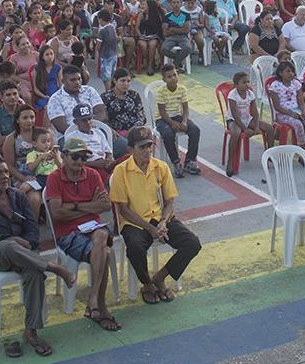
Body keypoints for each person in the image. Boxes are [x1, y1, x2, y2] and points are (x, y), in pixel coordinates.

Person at [0, 156, 76, 359]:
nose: (4, 177)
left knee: (34, 274)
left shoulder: (18, 196)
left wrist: (26, 243)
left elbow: (32, 228)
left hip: (24, 254)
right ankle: (54, 268)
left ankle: (31, 331)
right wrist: (14, 241)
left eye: (6, 172)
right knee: (9, 245)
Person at [110, 126, 200, 305]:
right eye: (142, 147)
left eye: (149, 145)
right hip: (135, 222)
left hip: (161, 219)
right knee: (135, 248)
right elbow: (124, 209)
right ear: (131, 149)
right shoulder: (121, 171)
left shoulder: (161, 167)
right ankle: (147, 284)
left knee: (192, 243)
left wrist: (163, 222)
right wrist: (150, 228)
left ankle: (160, 277)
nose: (147, 150)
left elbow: (170, 201)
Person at [44, 137, 120, 331]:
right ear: (63, 156)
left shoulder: (92, 174)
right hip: (68, 233)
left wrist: (72, 207)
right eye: (75, 157)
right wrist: (87, 206)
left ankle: (93, 298)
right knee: (105, 252)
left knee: (101, 236)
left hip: (93, 227)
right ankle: (99, 305)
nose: (79, 162)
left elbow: (104, 205)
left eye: (83, 158)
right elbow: (57, 213)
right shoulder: (54, 178)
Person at [153, 64, 200, 178]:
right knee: (168, 134)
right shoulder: (160, 91)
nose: (173, 78)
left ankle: (189, 161)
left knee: (195, 130)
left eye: (174, 75)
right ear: (164, 79)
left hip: (178, 116)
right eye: (169, 77)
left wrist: (184, 122)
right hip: (163, 119)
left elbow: (185, 108)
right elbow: (162, 111)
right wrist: (172, 123)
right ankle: (176, 162)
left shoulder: (182, 89)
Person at [224, 71, 273, 177]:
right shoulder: (233, 95)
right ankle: (230, 161)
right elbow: (235, 115)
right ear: (236, 84)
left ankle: (270, 154)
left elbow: (255, 111)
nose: (247, 84)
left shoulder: (250, 93)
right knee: (235, 134)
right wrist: (245, 129)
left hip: (247, 118)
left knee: (269, 128)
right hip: (234, 120)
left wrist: (256, 126)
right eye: (244, 82)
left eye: (248, 82)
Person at [60, 104, 115, 174]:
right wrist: (96, 163)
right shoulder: (72, 136)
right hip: (87, 166)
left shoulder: (99, 133)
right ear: (75, 122)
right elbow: (72, 161)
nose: (88, 123)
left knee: (125, 160)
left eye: (89, 119)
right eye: (83, 120)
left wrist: (109, 161)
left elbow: (108, 152)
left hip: (103, 163)